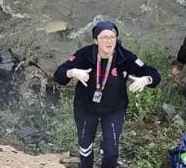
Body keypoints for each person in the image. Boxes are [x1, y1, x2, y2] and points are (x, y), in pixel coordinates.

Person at [54, 20, 161, 168]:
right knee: (85, 147)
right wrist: (72, 72)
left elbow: (153, 74)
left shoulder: (125, 57)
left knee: (111, 152)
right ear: (96, 40)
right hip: (86, 107)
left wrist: (145, 80)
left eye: (112, 37)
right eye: (104, 37)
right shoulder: (84, 55)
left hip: (114, 109)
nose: (109, 41)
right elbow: (59, 74)